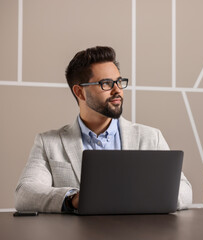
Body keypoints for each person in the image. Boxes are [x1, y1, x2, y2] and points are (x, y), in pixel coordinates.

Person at [15, 46, 192, 213]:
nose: (117, 90)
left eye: (119, 82)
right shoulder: (49, 143)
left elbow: (184, 191)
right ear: (80, 92)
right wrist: (73, 198)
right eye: (106, 83)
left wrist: (135, 196)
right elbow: (25, 194)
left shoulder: (150, 137)